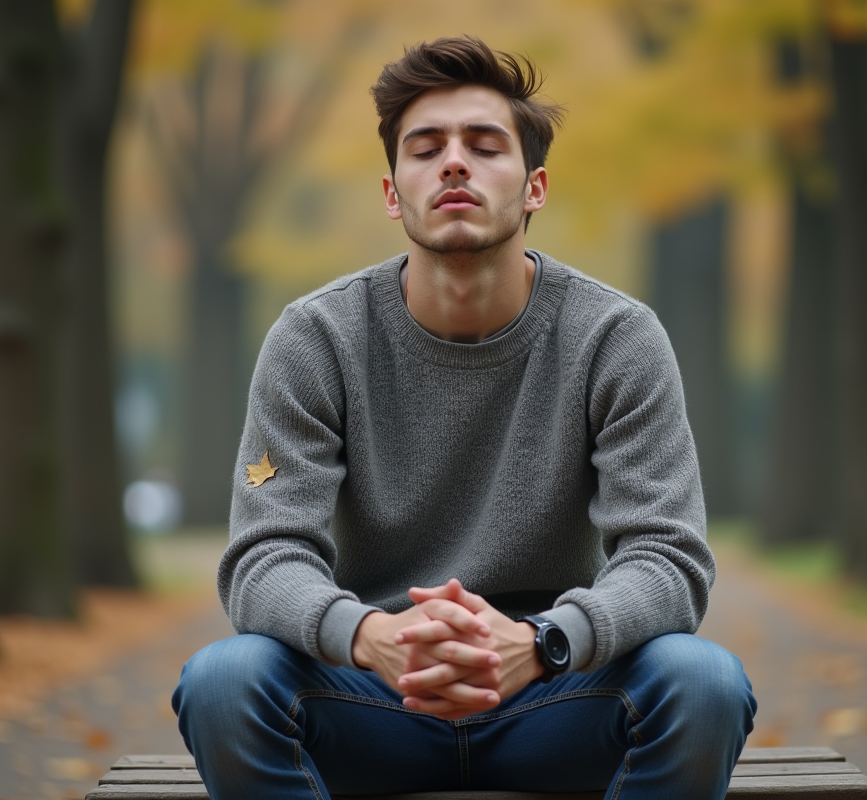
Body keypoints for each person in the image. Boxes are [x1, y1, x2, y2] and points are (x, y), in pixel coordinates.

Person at [173, 35, 756, 800]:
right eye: (426, 148)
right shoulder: (315, 339)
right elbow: (264, 557)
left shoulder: (617, 339)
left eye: (484, 146)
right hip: (371, 696)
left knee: (701, 679)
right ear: (392, 192)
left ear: (535, 187)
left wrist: (543, 642)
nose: (454, 163)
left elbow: (667, 557)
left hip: (555, 696)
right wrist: (367, 636)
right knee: (225, 679)